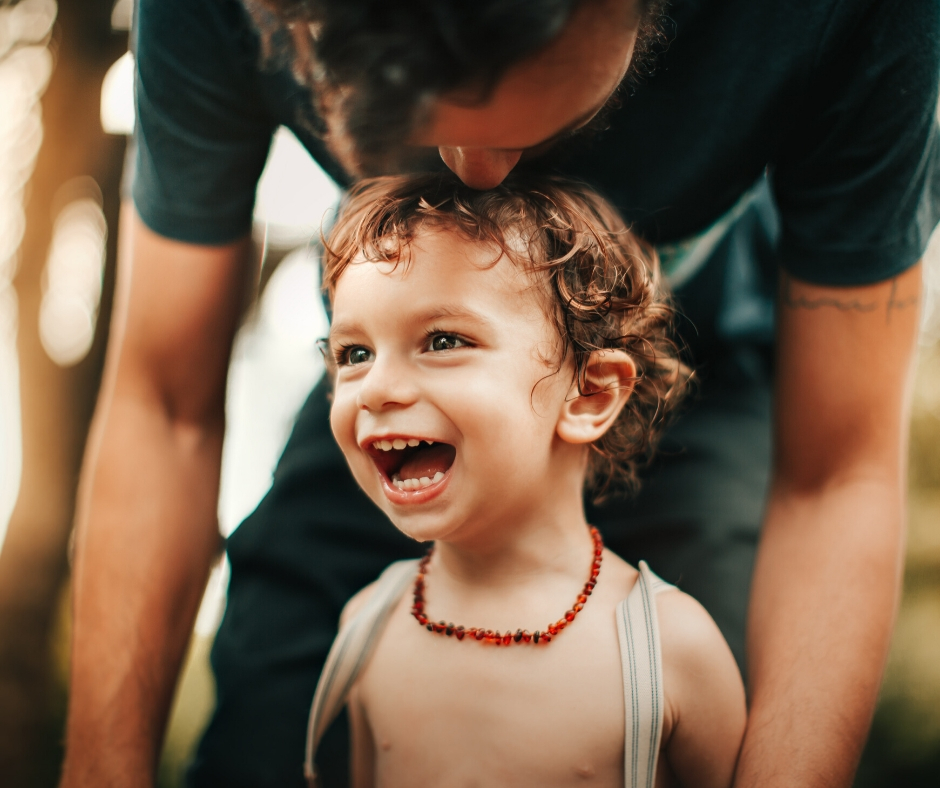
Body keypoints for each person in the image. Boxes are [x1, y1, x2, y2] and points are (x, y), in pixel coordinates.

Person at [60, 0, 938, 787]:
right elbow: (162, 407)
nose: (476, 173)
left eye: (534, 113)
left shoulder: (848, 20)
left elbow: (837, 472)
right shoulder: (204, 15)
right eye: (347, 354)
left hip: (708, 388)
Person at [305, 172, 745, 788]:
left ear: (588, 394)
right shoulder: (367, 627)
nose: (375, 388)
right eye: (354, 354)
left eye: (442, 340)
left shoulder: (670, 651)